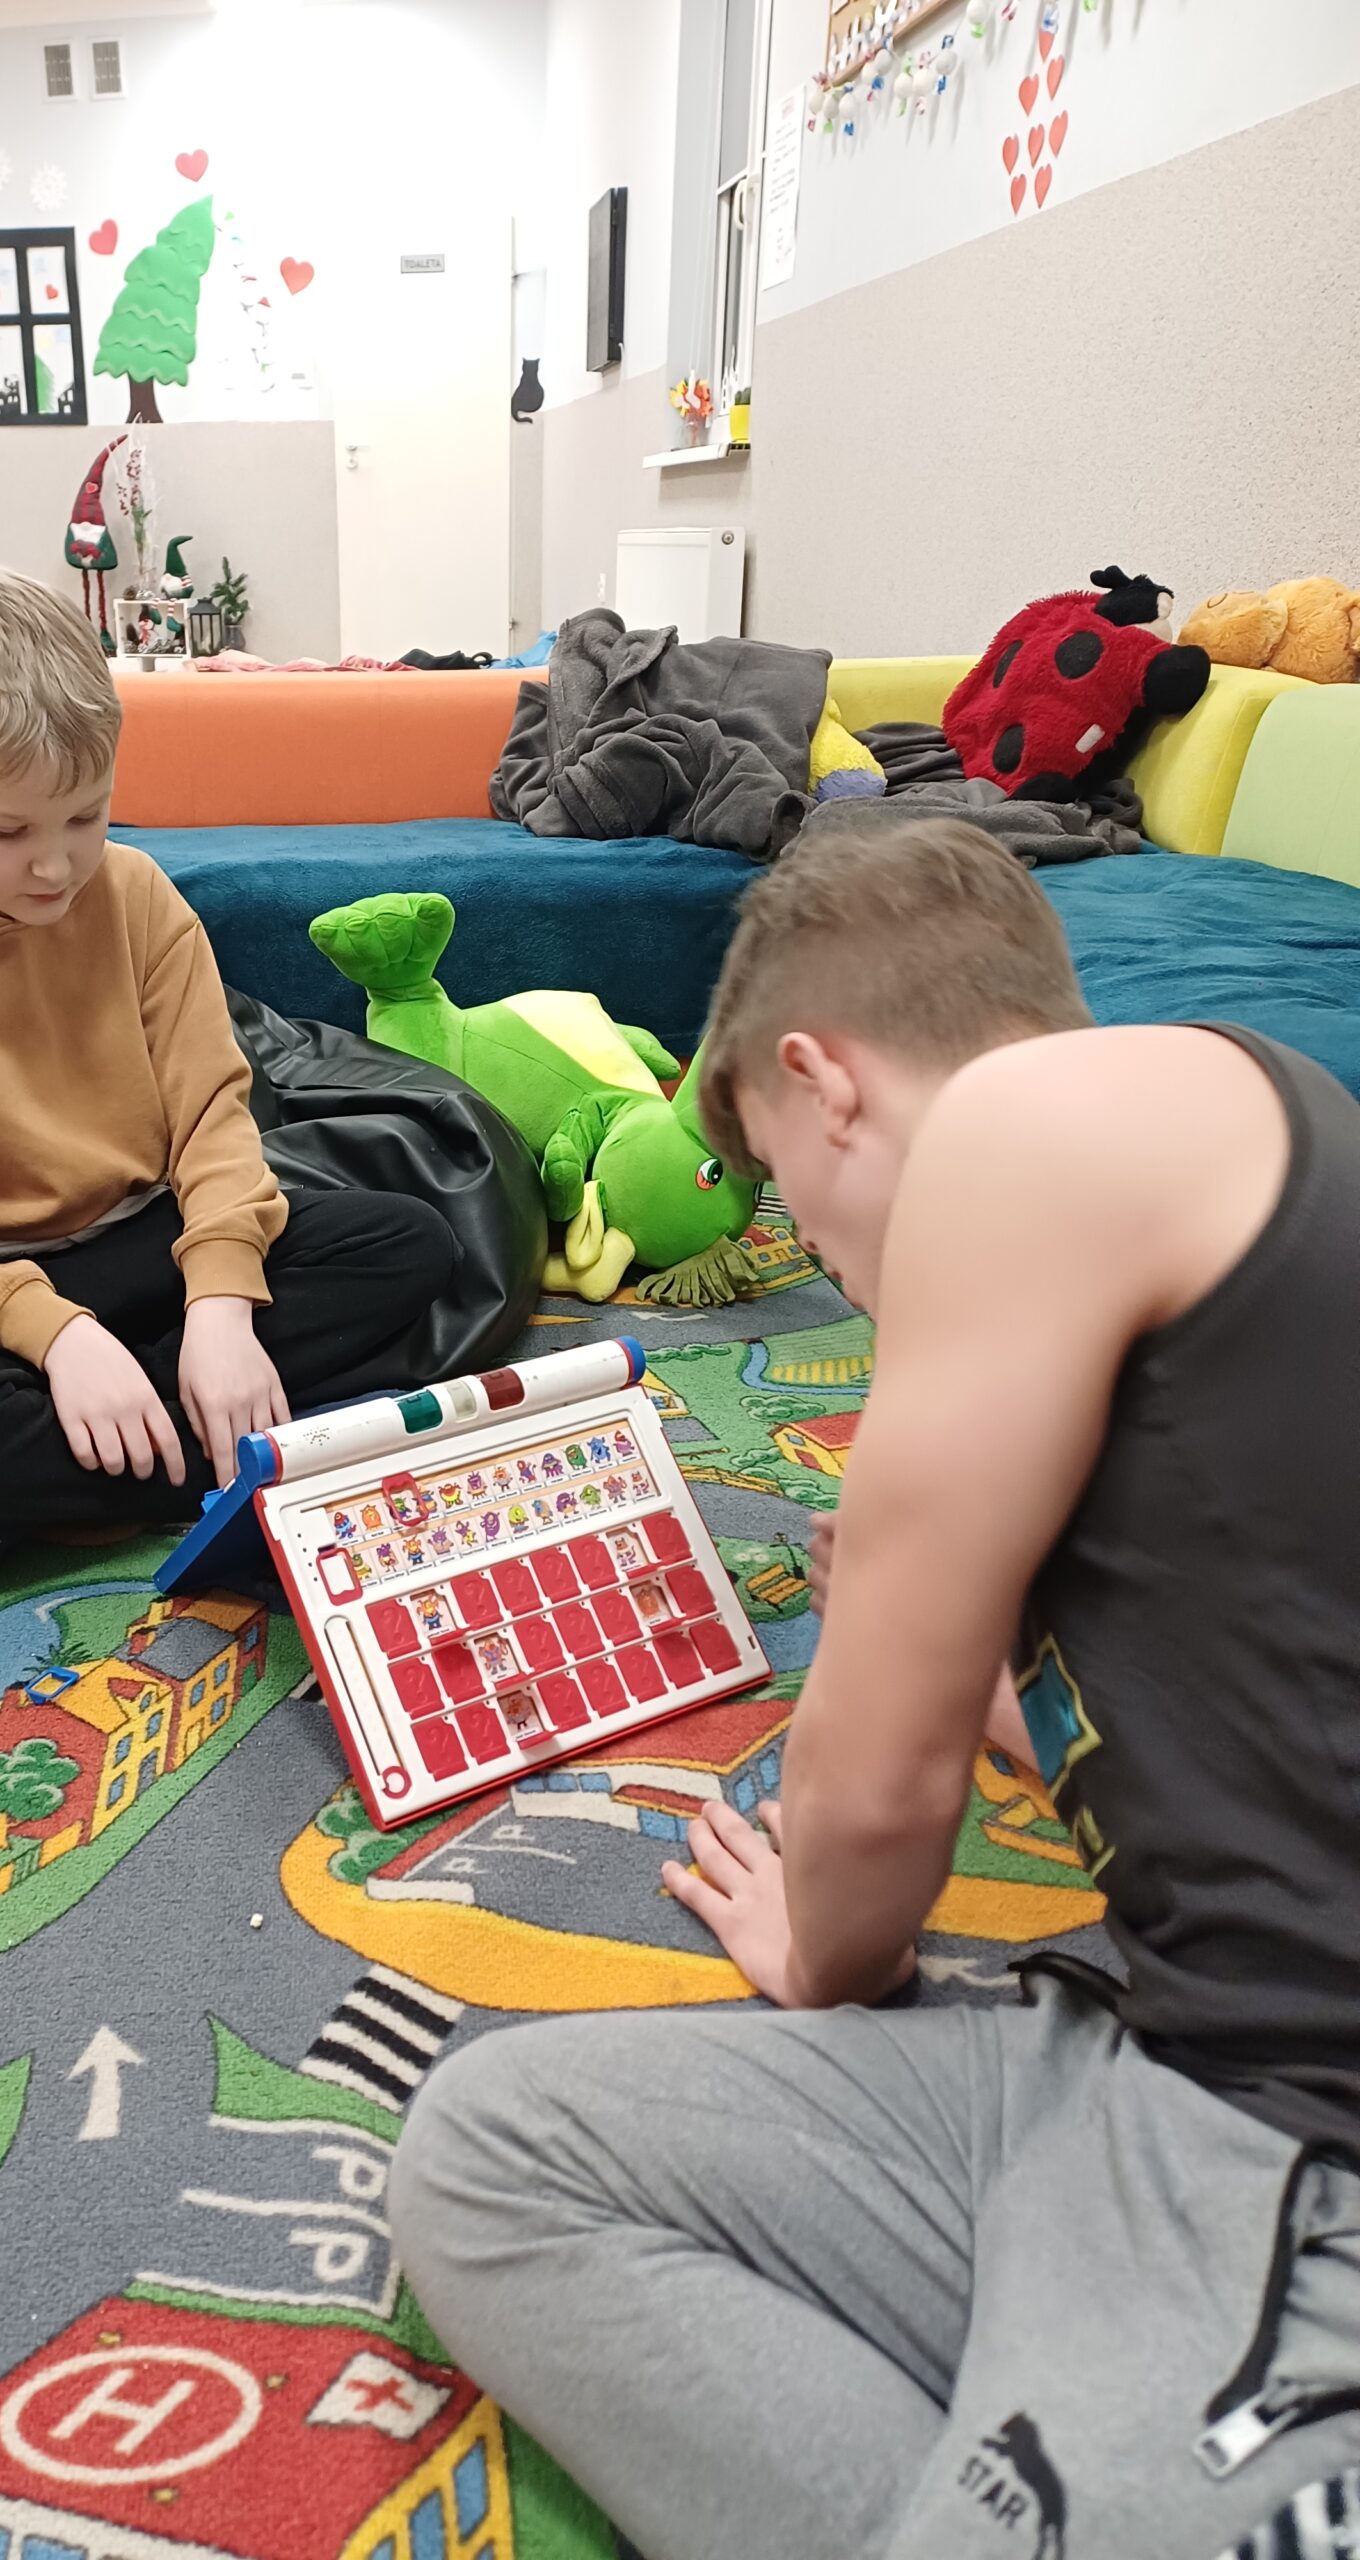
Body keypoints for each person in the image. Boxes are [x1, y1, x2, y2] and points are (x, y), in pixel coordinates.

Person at [391, 818, 1360, 2560]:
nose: (827, 1270)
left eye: (792, 1197)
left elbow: (873, 1805)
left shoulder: (1022, 1128)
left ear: (823, 1082)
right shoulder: (1243, 1133)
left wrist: (825, 1945)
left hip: (1299, 2150)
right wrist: (998, 1679)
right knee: (487, 2150)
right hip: (1142, 2061)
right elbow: (1239, 1709)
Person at [0, 567, 457, 1586]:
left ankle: (76, 1478)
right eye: (6, 831)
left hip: (138, 1237)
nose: (55, 866)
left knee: (411, 1244)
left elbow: (213, 1120)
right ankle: (233, 1449)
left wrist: (221, 1305)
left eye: (86, 818)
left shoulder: (136, 894)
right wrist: (57, 1339)